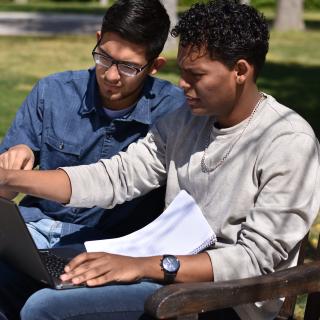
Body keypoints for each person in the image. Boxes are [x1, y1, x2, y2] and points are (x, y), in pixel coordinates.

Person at [0, 0, 319, 319]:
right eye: (182, 72)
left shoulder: (288, 142)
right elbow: (115, 177)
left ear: (240, 71)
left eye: (196, 75)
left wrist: (141, 266)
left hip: (222, 300)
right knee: (12, 280)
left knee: (44, 308)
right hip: (162, 276)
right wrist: (13, 178)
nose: (182, 84)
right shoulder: (185, 121)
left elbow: (253, 262)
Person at [0, 0, 185, 249]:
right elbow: (6, 191)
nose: (110, 76)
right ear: (98, 39)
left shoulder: (175, 111)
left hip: (107, 245)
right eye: (104, 58)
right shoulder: (52, 91)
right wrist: (16, 159)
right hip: (32, 228)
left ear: (154, 66)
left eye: (129, 67)